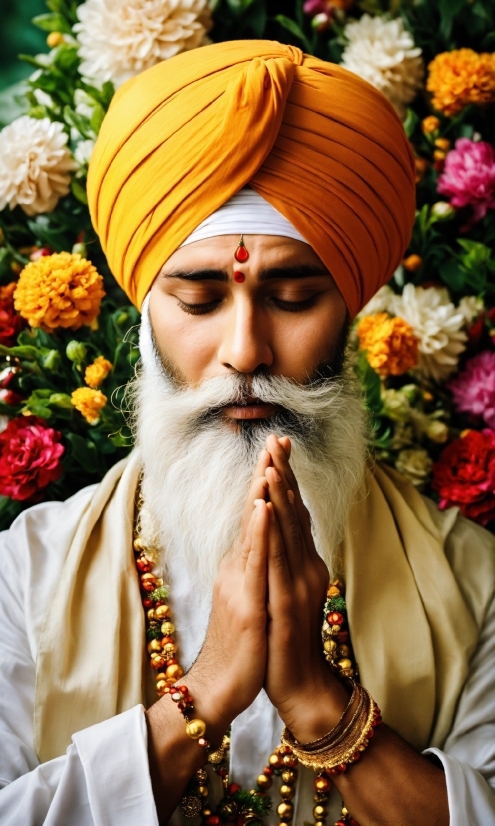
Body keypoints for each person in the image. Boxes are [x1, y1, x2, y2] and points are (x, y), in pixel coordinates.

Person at [0, 40, 494, 826]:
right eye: (198, 300)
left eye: (295, 297)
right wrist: (209, 691)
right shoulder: (28, 573)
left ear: (350, 313)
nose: (244, 351)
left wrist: (319, 702)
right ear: (144, 319)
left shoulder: (470, 583)